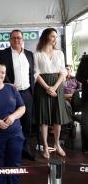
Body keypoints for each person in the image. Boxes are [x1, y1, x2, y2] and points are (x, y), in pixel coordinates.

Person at [34, 28, 71, 159]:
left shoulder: (60, 53)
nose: (55, 38)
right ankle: (45, 146)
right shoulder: (37, 53)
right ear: (45, 37)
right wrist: (47, 88)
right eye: (52, 36)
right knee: (44, 120)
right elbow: (36, 73)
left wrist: (54, 87)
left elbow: (63, 72)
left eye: (56, 36)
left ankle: (56, 144)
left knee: (57, 119)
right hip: (42, 87)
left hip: (57, 87)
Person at [0, 29, 35, 161]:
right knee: (9, 122)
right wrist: (8, 84)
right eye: (13, 38)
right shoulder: (2, 54)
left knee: (27, 123)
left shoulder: (30, 54)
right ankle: (9, 150)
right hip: (10, 94)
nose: (16, 40)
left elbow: (32, 74)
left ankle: (25, 148)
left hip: (26, 93)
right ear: (9, 40)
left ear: (22, 39)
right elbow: (0, 72)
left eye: (18, 38)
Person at [76, 54, 88, 152]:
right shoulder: (85, 60)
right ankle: (86, 147)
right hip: (87, 96)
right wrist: (86, 80)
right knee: (86, 121)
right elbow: (78, 76)